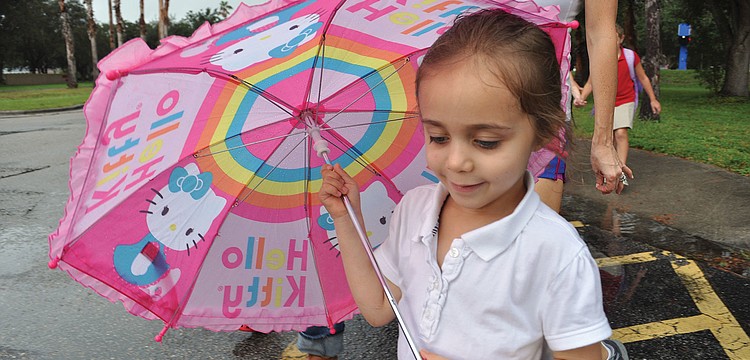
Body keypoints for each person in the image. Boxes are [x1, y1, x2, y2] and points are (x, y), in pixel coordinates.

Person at [319, 9, 613, 359]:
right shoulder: (414, 210)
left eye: (486, 142)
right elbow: (379, 307)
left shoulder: (555, 253)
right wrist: (346, 219)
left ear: (544, 133)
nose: (457, 162)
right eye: (438, 137)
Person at [532, 0, 630, 212]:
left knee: (534, 237)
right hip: (448, 118)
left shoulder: (630, 56)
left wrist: (603, 142)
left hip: (542, 121)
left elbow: (601, 34)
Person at [576, 24, 661, 169]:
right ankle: (611, 166)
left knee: (621, 133)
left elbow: (643, 78)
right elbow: (591, 82)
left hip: (626, 100)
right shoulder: (600, 58)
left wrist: (653, 99)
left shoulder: (630, 56)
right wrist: (581, 98)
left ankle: (621, 170)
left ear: (621, 39)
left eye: (613, 37)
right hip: (605, 103)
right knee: (609, 138)